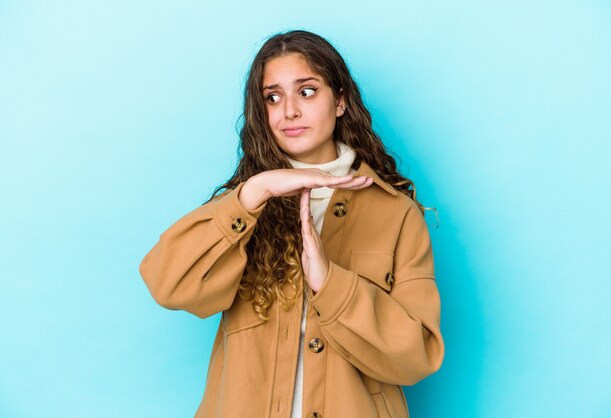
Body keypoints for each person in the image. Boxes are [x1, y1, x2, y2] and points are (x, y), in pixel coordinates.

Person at [139, 29, 444, 418]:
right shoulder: (242, 206)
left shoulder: (396, 212)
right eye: (273, 97)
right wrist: (254, 192)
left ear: (340, 101)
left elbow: (418, 355)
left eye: (307, 91)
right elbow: (168, 285)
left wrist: (330, 284)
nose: (289, 112)